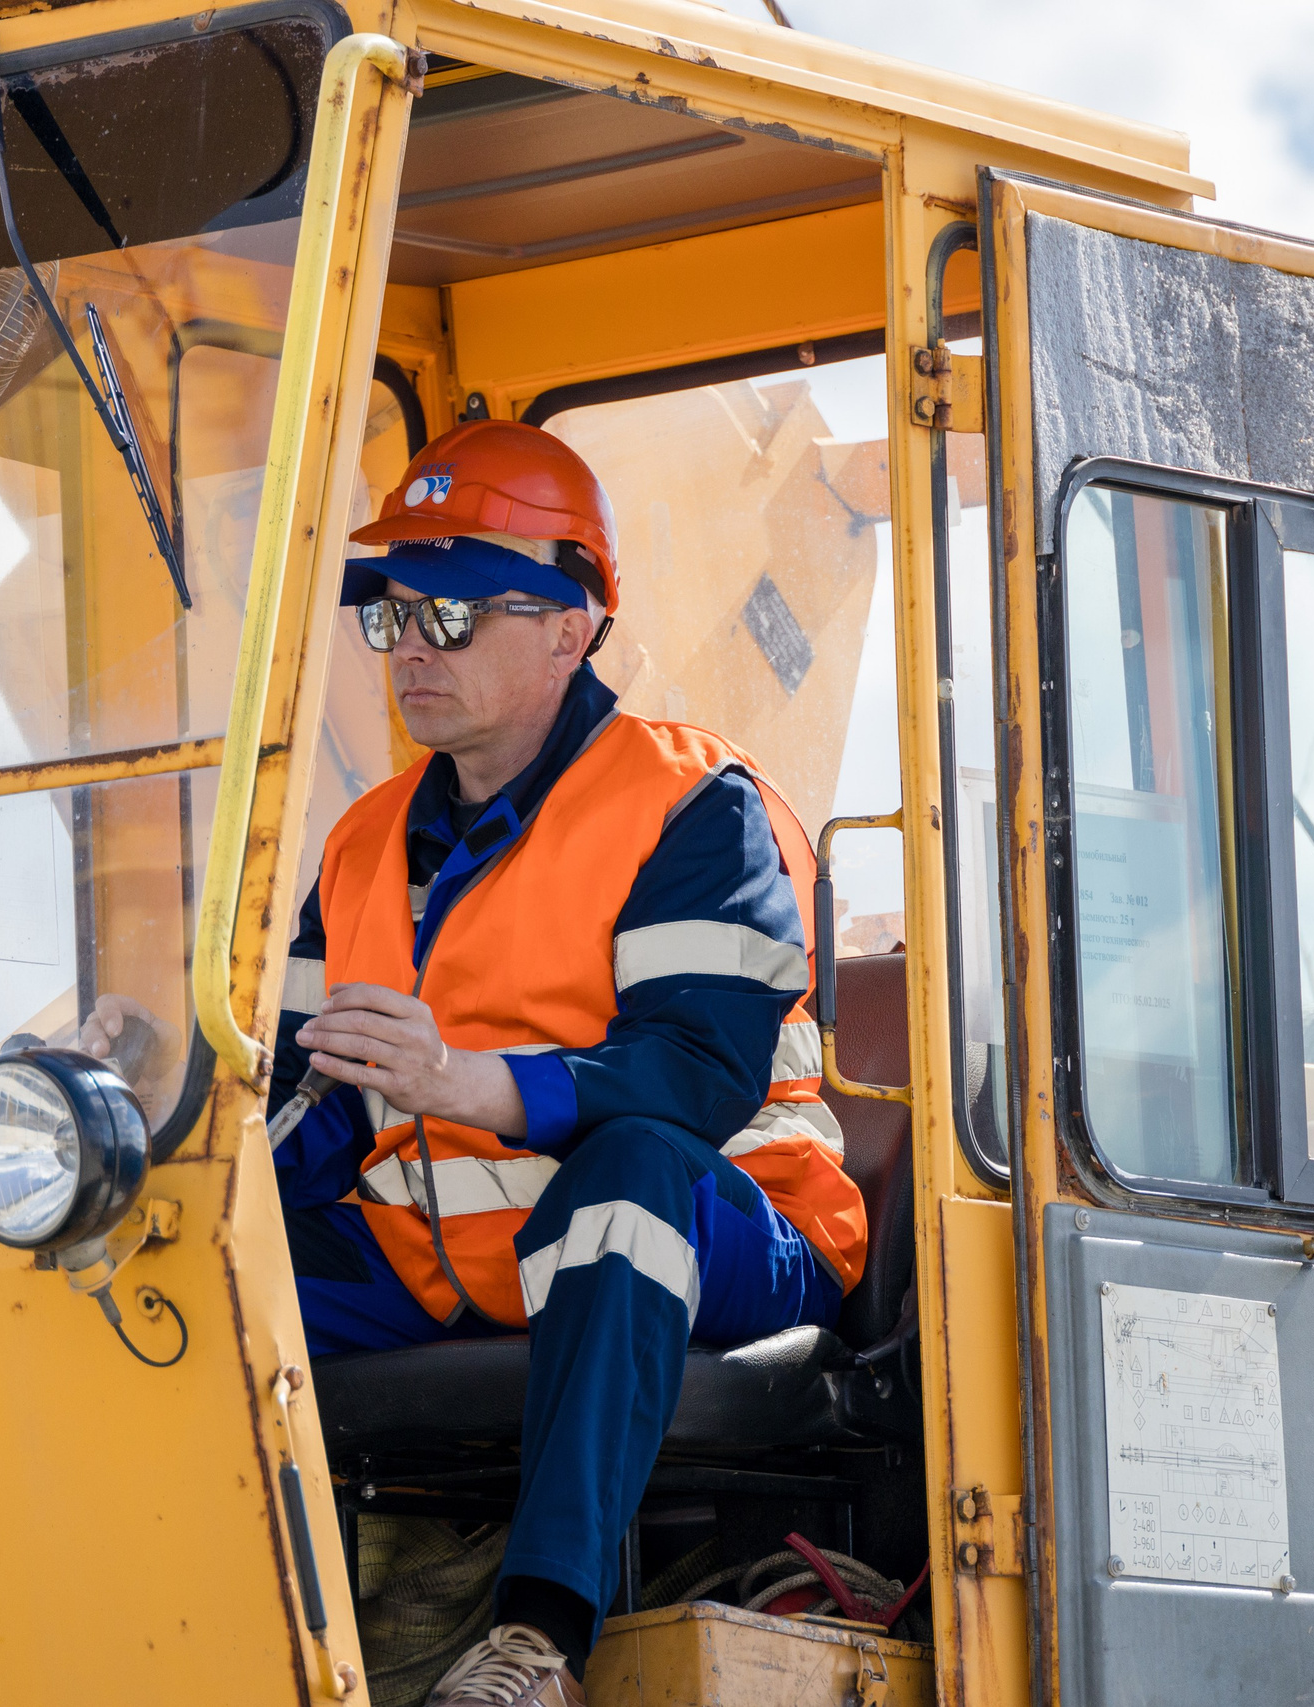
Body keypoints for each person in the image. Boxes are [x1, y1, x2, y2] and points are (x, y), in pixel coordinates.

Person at [267, 420, 868, 1707]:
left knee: (627, 1179)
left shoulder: (698, 808)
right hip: (450, 1264)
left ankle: (536, 1645)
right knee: (193, 1278)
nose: (411, 648)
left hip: (722, 1236)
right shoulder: (362, 847)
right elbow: (308, 1112)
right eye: (394, 616)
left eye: (454, 613)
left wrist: (475, 1087)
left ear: (571, 623)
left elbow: (693, 1079)